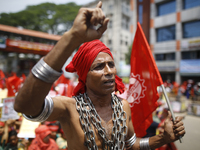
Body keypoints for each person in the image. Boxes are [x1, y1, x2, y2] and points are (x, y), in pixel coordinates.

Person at [14, 1, 185, 150]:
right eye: (99, 67)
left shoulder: (123, 106)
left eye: (111, 64)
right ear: (84, 76)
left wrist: (164, 138)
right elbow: (25, 106)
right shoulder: (69, 108)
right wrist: (72, 37)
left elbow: (132, 145)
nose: (109, 71)